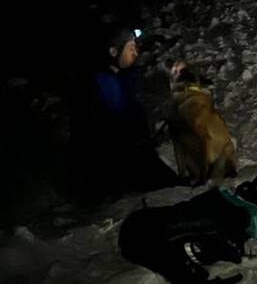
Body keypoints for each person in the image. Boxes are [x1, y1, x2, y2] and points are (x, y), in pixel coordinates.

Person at [70, 24, 179, 199]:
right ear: (114, 52)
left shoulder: (123, 75)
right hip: (120, 165)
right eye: (130, 48)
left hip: (135, 154)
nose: (135, 53)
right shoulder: (99, 83)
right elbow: (107, 134)